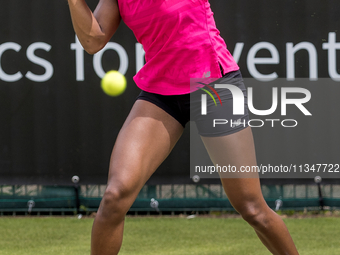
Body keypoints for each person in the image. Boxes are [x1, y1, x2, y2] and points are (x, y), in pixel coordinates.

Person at [67, 0, 299, 254]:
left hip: (213, 85)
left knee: (252, 208)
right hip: (161, 91)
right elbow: (93, 41)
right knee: (114, 197)